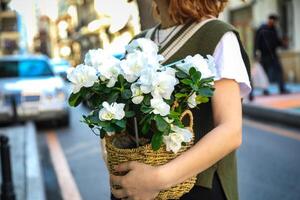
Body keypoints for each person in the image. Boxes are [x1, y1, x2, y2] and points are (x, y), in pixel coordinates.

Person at [110, 0, 251, 199]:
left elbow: (230, 131)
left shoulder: (216, 35)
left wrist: (155, 180)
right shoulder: (138, 43)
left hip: (197, 190)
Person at [254, 14, 289, 94]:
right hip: (264, 55)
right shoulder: (261, 29)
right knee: (265, 73)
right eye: (274, 21)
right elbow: (256, 41)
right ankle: (265, 90)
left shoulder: (274, 30)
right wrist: (255, 53)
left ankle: (282, 89)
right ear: (270, 20)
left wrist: (283, 44)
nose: (275, 23)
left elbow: (276, 42)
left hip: (273, 54)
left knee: (279, 71)